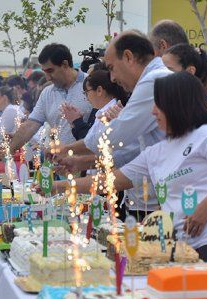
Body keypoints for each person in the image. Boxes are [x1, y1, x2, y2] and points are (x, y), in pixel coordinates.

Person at [51, 72, 207, 261]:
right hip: (182, 247)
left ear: (178, 105)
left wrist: (206, 208)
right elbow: (112, 181)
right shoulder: (157, 151)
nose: (153, 112)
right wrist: (58, 187)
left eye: (159, 105)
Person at [54, 31, 171, 218]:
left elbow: (113, 139)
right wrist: (76, 162)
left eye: (112, 68)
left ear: (128, 57)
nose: (112, 78)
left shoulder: (154, 81)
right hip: (156, 201)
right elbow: (129, 156)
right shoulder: (153, 82)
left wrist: (69, 154)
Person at [7, 43, 92, 154]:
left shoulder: (91, 85)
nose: (47, 78)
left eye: (50, 71)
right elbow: (30, 125)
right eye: (44, 72)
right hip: (61, 165)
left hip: (90, 164)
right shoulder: (47, 93)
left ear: (65, 64)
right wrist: (9, 151)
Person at [161, 43, 207, 129]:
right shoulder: (180, 99)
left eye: (168, 70)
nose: (160, 74)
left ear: (190, 71)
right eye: (160, 69)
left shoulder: (201, 109)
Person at [64, 64, 128, 145]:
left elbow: (93, 146)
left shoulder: (111, 113)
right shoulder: (103, 111)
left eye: (86, 93)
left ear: (99, 90)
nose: (86, 98)